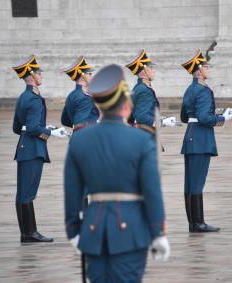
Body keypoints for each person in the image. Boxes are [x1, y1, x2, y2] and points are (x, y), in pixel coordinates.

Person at [64, 64, 170, 283]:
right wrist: (158, 232)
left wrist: (74, 231)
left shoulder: (80, 140)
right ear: (126, 104)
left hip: (93, 232)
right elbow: (152, 191)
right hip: (131, 232)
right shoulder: (141, 139)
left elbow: (72, 192)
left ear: (98, 105)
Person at [12, 54, 67, 242]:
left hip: (24, 148)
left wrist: (44, 129)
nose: (41, 75)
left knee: (23, 193)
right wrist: (49, 132)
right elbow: (34, 127)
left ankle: (26, 233)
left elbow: (16, 128)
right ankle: (30, 233)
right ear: (32, 76)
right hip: (33, 150)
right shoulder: (34, 99)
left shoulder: (22, 97)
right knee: (27, 193)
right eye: (39, 72)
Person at [180, 49, 232, 232]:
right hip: (201, 139)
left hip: (191, 136)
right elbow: (204, 118)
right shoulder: (202, 91)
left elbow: (185, 117)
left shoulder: (189, 89)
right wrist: (221, 118)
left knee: (190, 183)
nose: (208, 70)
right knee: (197, 183)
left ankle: (193, 223)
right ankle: (198, 223)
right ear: (199, 70)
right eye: (206, 67)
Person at [61, 56, 99, 132]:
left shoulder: (71, 95)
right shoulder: (85, 97)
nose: (92, 76)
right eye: (90, 74)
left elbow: (65, 120)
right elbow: (80, 125)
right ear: (82, 78)